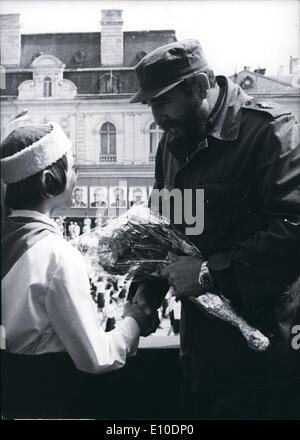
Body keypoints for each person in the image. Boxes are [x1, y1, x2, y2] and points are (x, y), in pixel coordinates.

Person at [129, 39, 300, 419]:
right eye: (150, 105)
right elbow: (165, 231)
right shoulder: (171, 146)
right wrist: (143, 295)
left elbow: (294, 230)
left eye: (163, 102)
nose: (157, 118)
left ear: (200, 85)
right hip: (201, 359)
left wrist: (208, 274)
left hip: (264, 363)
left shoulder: (270, 132)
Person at [1, 124, 158, 383]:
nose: (78, 176)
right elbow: (97, 357)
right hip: (50, 396)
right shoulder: (57, 255)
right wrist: (134, 321)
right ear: (48, 180)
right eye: (73, 167)